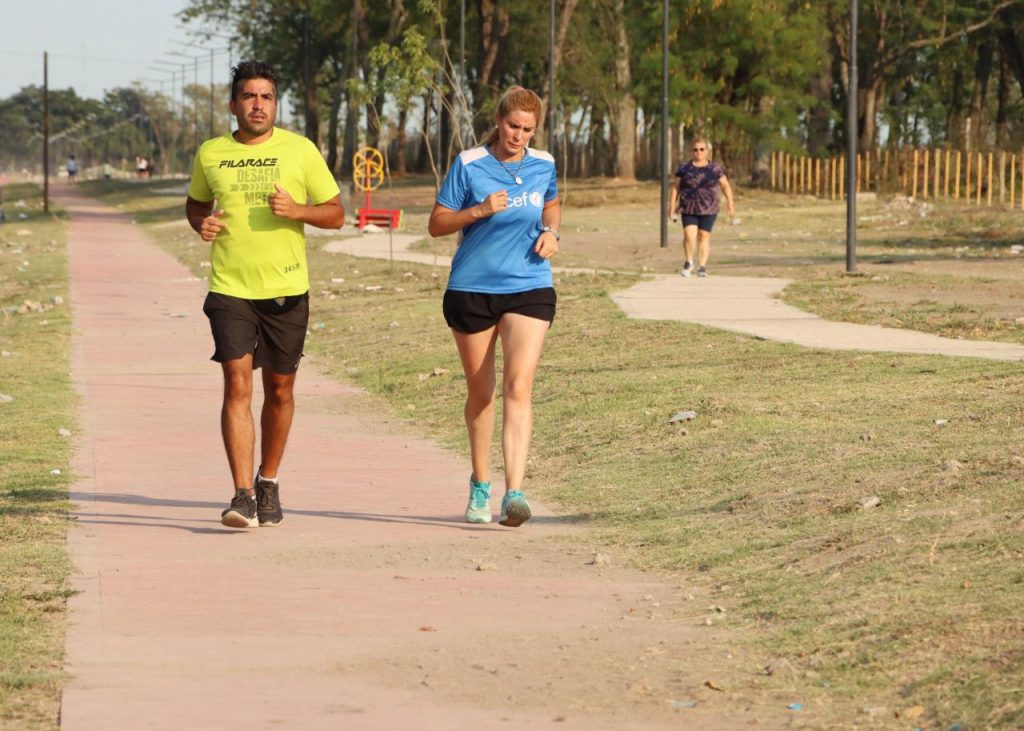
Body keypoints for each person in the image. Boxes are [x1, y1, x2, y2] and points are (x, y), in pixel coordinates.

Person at [184, 61, 345, 529]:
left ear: (276, 104)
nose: (258, 104)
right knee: (237, 385)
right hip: (230, 287)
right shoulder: (211, 153)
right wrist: (202, 223)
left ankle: (268, 480)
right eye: (249, 96)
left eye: (267, 97)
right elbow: (196, 204)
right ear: (233, 104)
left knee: (279, 390)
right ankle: (242, 495)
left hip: (286, 290)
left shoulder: (300, 151)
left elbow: (336, 213)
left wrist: (298, 210)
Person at [427, 85, 560, 527]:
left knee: (519, 385)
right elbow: (437, 224)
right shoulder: (468, 165)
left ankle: (515, 493)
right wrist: (479, 210)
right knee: (482, 393)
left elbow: (553, 205)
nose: (518, 136)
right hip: (472, 288)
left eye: (527, 129)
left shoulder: (544, 165)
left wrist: (552, 233)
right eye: (511, 126)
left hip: (529, 283)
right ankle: (481, 484)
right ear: (498, 121)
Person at [669, 138, 734, 277]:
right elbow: (676, 187)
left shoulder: (715, 168)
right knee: (689, 235)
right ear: (692, 151)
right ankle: (688, 262)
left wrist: (730, 202)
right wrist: (671, 206)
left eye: (701, 149)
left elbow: (725, 185)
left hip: (709, 208)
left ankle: (702, 267)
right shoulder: (684, 168)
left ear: (707, 151)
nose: (698, 152)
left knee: (703, 236)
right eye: (695, 149)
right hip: (688, 207)